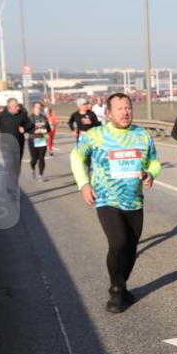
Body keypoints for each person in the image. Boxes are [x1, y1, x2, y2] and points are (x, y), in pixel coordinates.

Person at [70, 93, 161, 314]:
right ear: (108, 113)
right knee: (118, 242)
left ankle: (122, 285)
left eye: (128, 108)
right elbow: (76, 157)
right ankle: (116, 289)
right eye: (119, 108)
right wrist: (83, 184)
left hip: (134, 201)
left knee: (131, 246)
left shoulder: (142, 134)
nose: (125, 112)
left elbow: (154, 162)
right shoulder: (95, 135)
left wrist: (150, 174)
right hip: (106, 198)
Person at [0, 98, 33, 176]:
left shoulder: (22, 114)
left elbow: (30, 125)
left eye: (18, 106)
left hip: (19, 144)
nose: (18, 107)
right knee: (9, 165)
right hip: (6, 145)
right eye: (16, 106)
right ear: (9, 107)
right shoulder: (1, 116)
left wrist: (24, 128)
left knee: (17, 165)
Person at [27, 102, 52, 181]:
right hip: (33, 139)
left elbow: (48, 129)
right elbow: (27, 129)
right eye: (37, 107)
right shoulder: (30, 118)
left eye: (40, 107)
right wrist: (34, 131)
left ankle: (41, 175)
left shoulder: (44, 117)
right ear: (33, 108)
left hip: (41, 139)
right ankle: (32, 169)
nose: (38, 108)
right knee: (34, 158)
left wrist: (46, 136)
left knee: (41, 158)